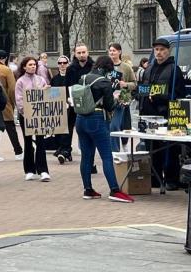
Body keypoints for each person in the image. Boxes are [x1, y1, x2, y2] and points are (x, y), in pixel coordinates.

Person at [73, 56, 133, 202]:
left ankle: (88, 189)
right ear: (107, 69)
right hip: (97, 119)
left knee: (86, 157)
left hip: (80, 119)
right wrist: (117, 98)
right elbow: (109, 106)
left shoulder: (84, 77)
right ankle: (114, 190)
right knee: (106, 156)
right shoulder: (104, 82)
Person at [139, 37, 187, 190]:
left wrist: (159, 96)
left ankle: (171, 179)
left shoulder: (174, 69)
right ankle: (155, 177)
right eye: (156, 50)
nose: (159, 53)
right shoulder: (148, 69)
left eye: (162, 50)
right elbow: (143, 88)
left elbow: (179, 94)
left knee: (171, 148)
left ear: (168, 51)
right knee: (152, 148)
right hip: (149, 116)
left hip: (167, 114)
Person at [15, 56, 51, 182]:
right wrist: (26, 112)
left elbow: (47, 97)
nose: (33, 66)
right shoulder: (20, 81)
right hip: (26, 116)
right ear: (24, 67)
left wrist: (46, 90)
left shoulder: (41, 79)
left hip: (39, 115)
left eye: (34, 64)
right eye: (30, 65)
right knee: (28, 141)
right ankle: (29, 170)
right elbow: (19, 100)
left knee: (41, 142)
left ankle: (43, 170)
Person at [0, 50, 23, 160]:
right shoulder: (6, 70)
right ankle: (18, 152)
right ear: (5, 58)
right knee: (10, 128)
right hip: (4, 102)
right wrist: (13, 103)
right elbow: (12, 88)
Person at [65, 43, 95, 160]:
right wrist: (68, 98)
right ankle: (67, 149)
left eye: (83, 52)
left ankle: (88, 153)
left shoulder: (93, 67)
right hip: (74, 101)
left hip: (89, 101)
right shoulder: (70, 68)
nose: (81, 55)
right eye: (79, 53)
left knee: (88, 127)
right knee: (71, 125)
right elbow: (67, 84)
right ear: (75, 54)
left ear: (87, 53)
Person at [107, 43, 136, 151]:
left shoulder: (126, 67)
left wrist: (125, 85)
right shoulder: (106, 66)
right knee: (113, 126)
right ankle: (115, 151)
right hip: (109, 98)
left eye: (114, 50)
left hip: (123, 98)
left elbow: (134, 84)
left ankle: (124, 144)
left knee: (124, 125)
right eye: (110, 51)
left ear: (119, 52)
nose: (112, 53)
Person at [51, 55, 73, 163]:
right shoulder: (54, 79)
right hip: (58, 109)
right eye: (60, 63)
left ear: (68, 64)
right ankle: (63, 149)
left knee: (68, 130)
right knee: (58, 130)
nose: (62, 65)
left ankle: (65, 151)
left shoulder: (72, 77)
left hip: (71, 109)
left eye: (64, 63)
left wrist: (69, 100)